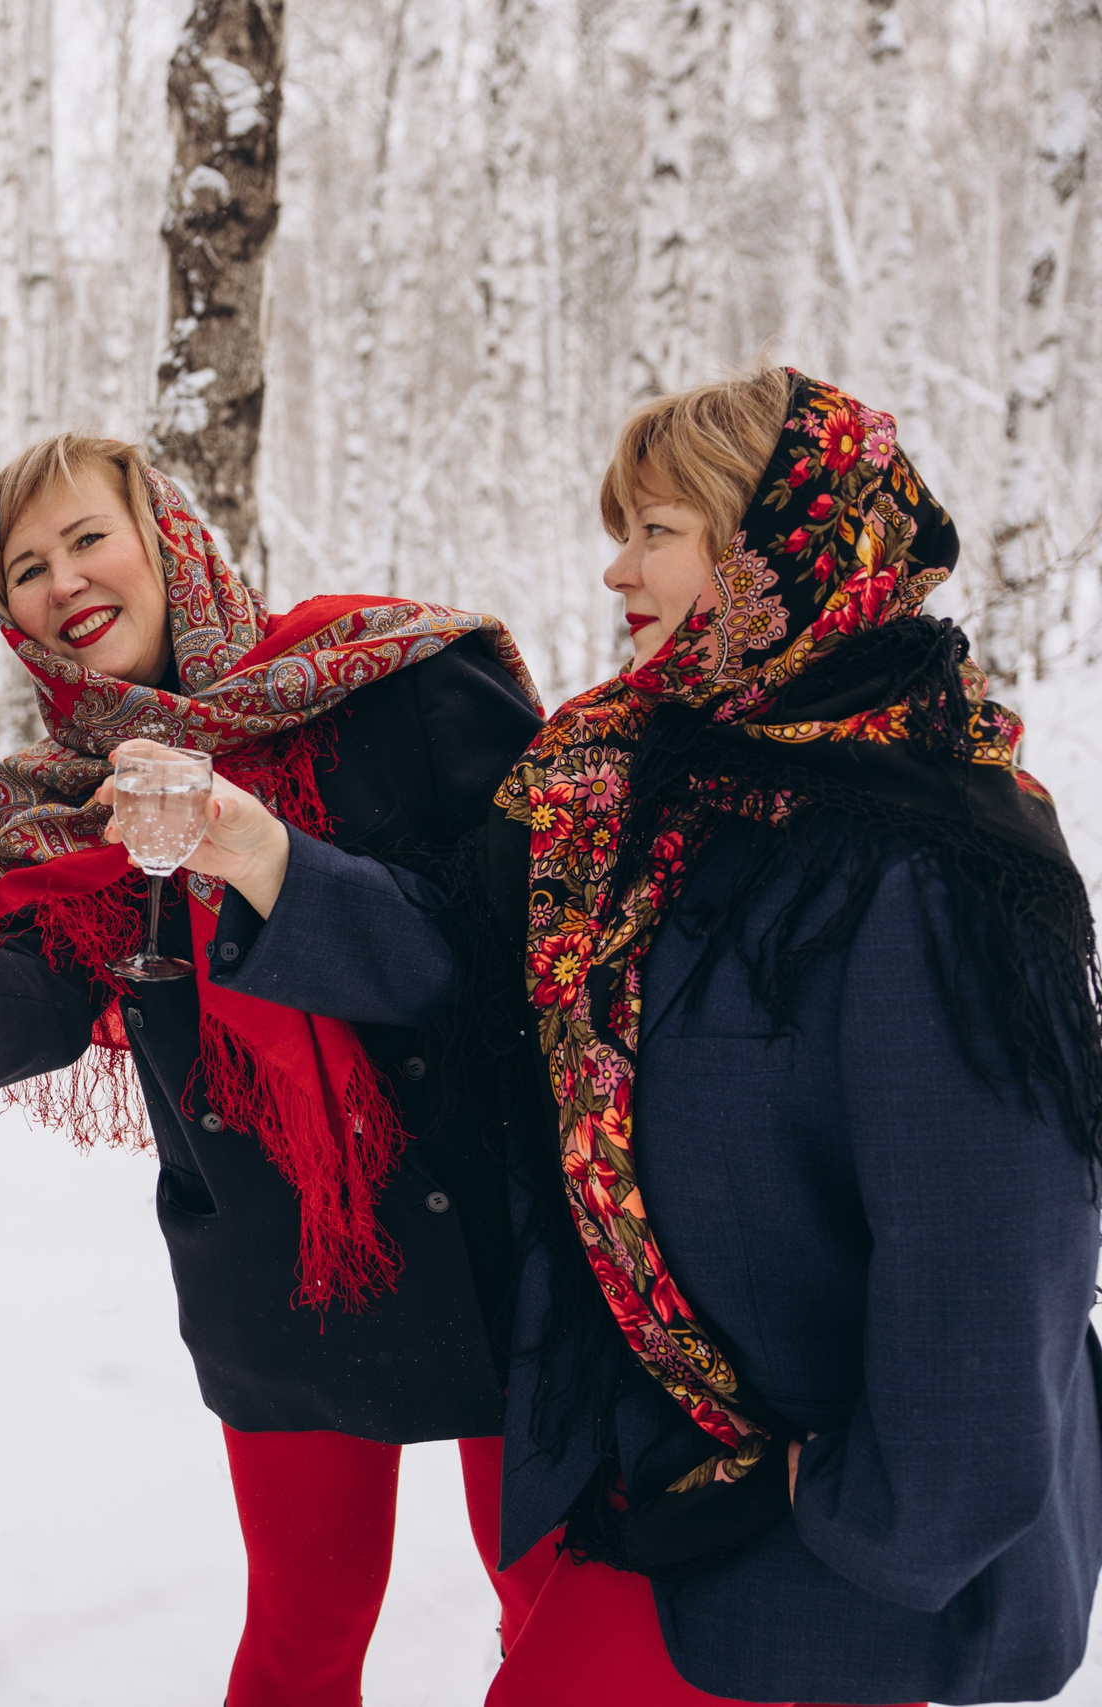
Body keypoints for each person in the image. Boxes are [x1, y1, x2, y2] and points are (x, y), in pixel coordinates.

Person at [195, 368, 1102, 1705]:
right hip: (647, 1476)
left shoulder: (937, 850)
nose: (616, 564)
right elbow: (464, 947)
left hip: (822, 1542)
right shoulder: (628, 777)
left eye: (658, 527)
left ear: (775, 542)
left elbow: (993, 1252)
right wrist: (254, 851)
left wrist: (850, 1514)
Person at [0, 433, 547, 1705]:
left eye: (86, 537)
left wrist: (263, 855)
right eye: (25, 568)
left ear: (166, 535)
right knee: (301, 1640)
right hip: (284, 1260)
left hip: (501, 1228)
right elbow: (47, 997)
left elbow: (507, 951)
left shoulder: (388, 679)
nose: (63, 581)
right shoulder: (59, 798)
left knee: (552, 1631)